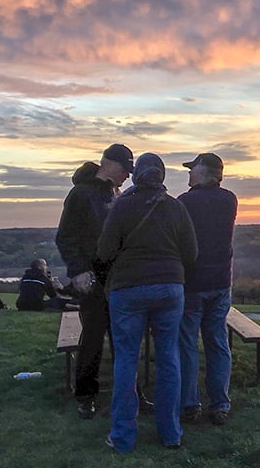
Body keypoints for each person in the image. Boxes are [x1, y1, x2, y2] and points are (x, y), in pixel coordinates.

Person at [98, 153, 197, 453]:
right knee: (169, 360)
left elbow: (104, 251)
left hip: (128, 290)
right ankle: (171, 434)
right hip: (170, 288)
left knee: (127, 361)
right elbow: (191, 253)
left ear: (138, 175)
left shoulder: (122, 206)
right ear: (162, 176)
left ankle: (124, 437)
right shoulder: (176, 207)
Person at [55, 143, 133, 419]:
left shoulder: (116, 193)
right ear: (109, 164)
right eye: (125, 169)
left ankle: (128, 394)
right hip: (92, 279)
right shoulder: (81, 194)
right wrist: (77, 271)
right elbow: (65, 237)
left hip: (119, 278)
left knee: (123, 338)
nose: (127, 175)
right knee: (92, 339)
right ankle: (86, 396)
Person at [177, 153, 238, 426]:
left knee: (188, 344)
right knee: (218, 343)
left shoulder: (185, 202)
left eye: (192, 169)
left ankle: (190, 404)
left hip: (192, 284)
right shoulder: (229, 200)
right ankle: (220, 405)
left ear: (203, 171)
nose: (188, 174)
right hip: (220, 283)